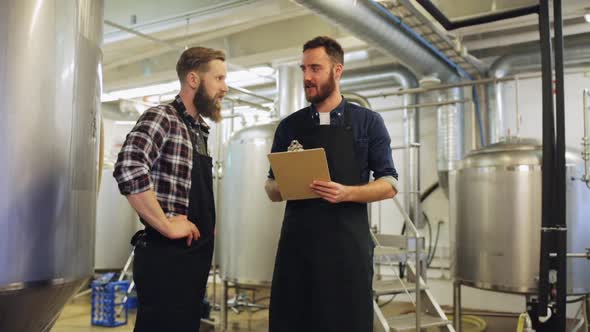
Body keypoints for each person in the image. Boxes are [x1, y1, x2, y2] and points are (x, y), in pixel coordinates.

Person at [264, 36, 399, 332]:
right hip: (297, 249)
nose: (307, 77)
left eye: (315, 68)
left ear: (337, 71)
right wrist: (287, 184)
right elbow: (271, 188)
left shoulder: (368, 122)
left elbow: (389, 183)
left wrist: (347, 192)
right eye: (303, 69)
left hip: (346, 250)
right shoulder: (289, 126)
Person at [113, 46, 228, 332]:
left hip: (192, 260)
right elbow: (129, 166)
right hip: (167, 259)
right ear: (193, 80)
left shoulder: (198, 130)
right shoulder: (163, 117)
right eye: (219, 79)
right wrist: (165, 224)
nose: (225, 88)